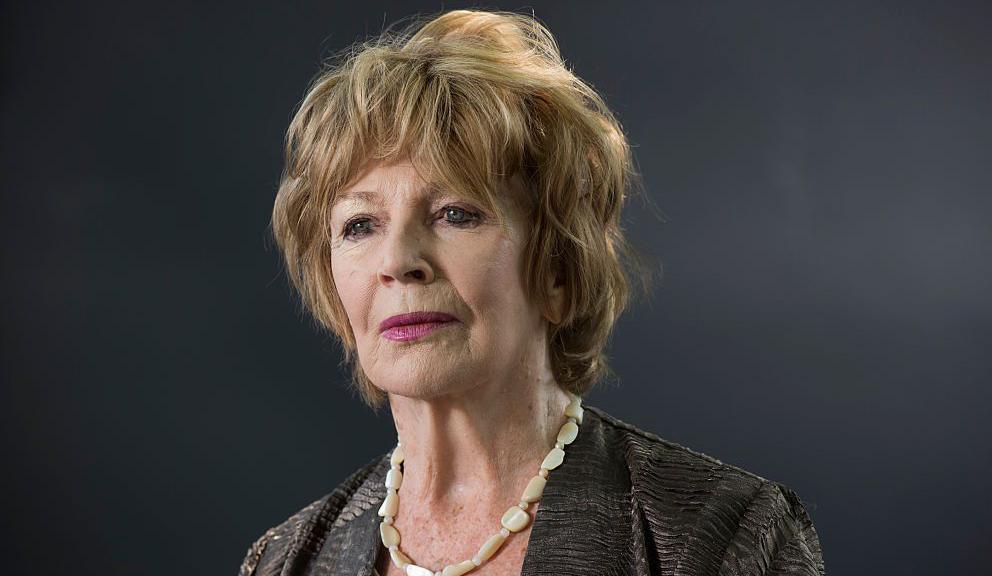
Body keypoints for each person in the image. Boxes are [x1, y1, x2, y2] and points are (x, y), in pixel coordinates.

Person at [239, 8, 825, 576]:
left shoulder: (718, 539)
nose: (397, 262)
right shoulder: (285, 560)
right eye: (360, 225)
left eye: (454, 213)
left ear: (557, 268)